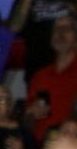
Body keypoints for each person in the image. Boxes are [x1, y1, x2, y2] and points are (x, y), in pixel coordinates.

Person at [25, 12, 77, 141]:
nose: (60, 33)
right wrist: (31, 114)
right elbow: (26, 121)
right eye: (56, 29)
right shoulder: (40, 76)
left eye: (66, 29)